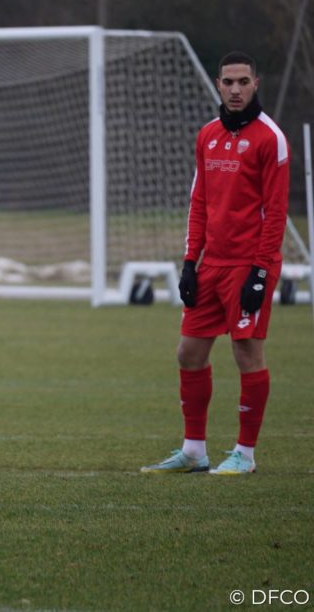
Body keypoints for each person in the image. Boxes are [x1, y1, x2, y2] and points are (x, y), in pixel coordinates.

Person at [142, 52, 290, 476]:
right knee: (189, 353)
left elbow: (276, 213)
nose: (236, 89)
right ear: (218, 84)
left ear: (256, 83)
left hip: (250, 263)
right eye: (228, 82)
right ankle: (194, 451)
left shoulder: (271, 138)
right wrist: (190, 262)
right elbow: (200, 201)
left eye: (243, 81)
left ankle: (245, 454)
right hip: (212, 264)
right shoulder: (207, 135)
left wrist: (260, 272)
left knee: (246, 352)